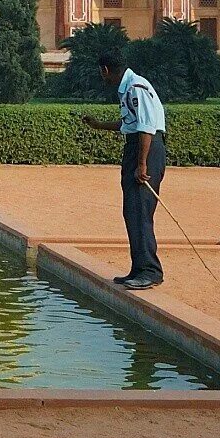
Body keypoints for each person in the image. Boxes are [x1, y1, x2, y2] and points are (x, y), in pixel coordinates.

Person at [81, 53, 168, 290]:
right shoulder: (128, 88)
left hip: (145, 150)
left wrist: (142, 164)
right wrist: (100, 125)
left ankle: (150, 271)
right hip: (137, 147)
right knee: (133, 211)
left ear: (105, 70)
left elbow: (146, 129)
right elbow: (129, 124)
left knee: (140, 211)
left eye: (101, 72)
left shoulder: (136, 87)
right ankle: (139, 268)